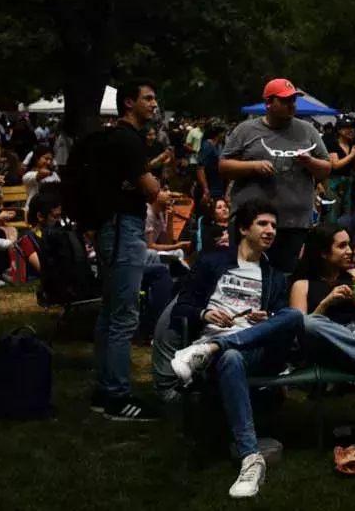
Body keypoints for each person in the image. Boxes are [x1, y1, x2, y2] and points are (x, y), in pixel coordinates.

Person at [168, 199, 303, 499]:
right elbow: (182, 309)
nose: (271, 231)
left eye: (274, 226)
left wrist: (267, 317)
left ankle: (214, 347)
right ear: (243, 228)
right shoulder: (211, 263)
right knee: (229, 357)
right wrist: (204, 314)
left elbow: (284, 318)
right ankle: (250, 459)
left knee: (292, 315)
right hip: (221, 355)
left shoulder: (274, 276)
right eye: (263, 224)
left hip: (255, 350)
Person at [89, 80, 173, 422]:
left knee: (110, 313)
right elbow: (152, 191)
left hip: (112, 227)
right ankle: (118, 397)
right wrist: (161, 195)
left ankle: (104, 389)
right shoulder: (128, 139)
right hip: (124, 228)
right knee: (124, 316)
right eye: (148, 98)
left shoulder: (116, 138)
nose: (154, 104)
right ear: (128, 103)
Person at [220, 79, 332, 274]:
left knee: (282, 277)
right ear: (269, 103)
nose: (292, 105)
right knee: (245, 272)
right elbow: (223, 166)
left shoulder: (307, 130)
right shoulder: (246, 130)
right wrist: (253, 166)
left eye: (293, 100)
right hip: (252, 223)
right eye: (285, 100)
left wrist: (309, 162)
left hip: (293, 222)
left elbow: (326, 168)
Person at [289, 223, 355, 381]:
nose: (350, 251)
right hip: (333, 344)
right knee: (309, 323)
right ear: (324, 253)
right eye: (342, 246)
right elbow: (298, 334)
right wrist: (326, 303)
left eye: (349, 244)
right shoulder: (302, 286)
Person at [194, 123, 227, 214]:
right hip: (209, 188)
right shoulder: (207, 146)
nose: (224, 136)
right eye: (223, 133)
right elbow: (200, 168)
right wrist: (206, 190)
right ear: (218, 134)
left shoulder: (216, 146)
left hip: (216, 186)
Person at [21, 149, 59, 213]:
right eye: (46, 159)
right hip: (34, 211)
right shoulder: (29, 175)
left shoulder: (54, 175)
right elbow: (42, 173)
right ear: (37, 158)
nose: (49, 162)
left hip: (52, 211)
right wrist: (51, 171)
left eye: (51, 160)